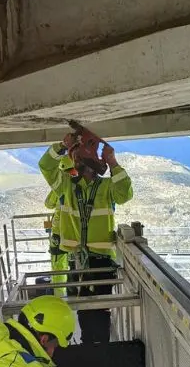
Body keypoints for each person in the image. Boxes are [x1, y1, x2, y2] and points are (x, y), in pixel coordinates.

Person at [38, 128, 133, 342]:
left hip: (100, 262)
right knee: (83, 309)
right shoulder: (67, 187)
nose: (77, 163)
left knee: (99, 310)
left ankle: (98, 349)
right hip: (78, 261)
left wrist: (114, 163)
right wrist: (61, 147)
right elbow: (46, 166)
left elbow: (125, 194)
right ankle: (91, 350)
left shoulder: (107, 187)